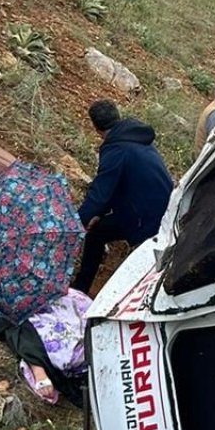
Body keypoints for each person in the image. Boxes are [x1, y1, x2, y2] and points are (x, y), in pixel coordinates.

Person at [72, 100, 174, 294]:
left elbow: (100, 194)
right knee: (100, 228)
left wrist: (76, 223)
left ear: (96, 127)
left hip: (145, 219)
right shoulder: (136, 138)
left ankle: (82, 288)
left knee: (95, 234)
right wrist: (98, 214)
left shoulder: (116, 149)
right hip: (165, 209)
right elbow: (116, 185)